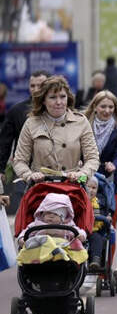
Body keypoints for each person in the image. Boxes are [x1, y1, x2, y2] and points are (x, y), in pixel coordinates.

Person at [12, 76, 100, 184]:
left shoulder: (81, 121)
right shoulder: (31, 123)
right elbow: (19, 161)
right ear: (43, 100)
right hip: (41, 187)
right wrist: (29, 175)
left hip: (72, 186)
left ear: (68, 98)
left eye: (63, 96)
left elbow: (93, 158)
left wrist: (82, 174)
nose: (59, 102)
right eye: (53, 97)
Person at [0, 70, 50, 209]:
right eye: (32, 85)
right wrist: (1, 169)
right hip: (23, 167)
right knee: (23, 206)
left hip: (51, 169)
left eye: (40, 85)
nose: (35, 89)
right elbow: (4, 143)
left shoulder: (57, 110)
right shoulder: (17, 111)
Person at [84, 91, 117, 227]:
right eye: (103, 107)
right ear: (95, 107)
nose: (107, 111)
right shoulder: (84, 125)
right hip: (86, 178)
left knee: (108, 225)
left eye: (111, 107)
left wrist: (114, 165)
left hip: (109, 180)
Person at [16, 193, 86, 246]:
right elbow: (26, 232)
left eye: (56, 214)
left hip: (62, 249)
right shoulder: (36, 224)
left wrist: (80, 235)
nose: (51, 216)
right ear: (42, 214)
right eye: (48, 213)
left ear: (63, 218)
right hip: (40, 249)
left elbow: (78, 231)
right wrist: (21, 238)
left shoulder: (68, 225)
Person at [85, 176, 113, 271]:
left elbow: (104, 214)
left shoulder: (99, 202)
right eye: (88, 187)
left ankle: (95, 259)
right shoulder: (80, 200)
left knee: (97, 239)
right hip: (80, 230)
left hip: (94, 230)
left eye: (94, 188)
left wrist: (107, 218)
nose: (91, 190)